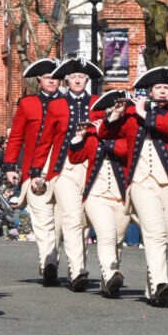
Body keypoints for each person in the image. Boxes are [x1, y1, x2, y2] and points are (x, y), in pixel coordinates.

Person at [102, 67, 168, 307]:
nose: (163, 92)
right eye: (158, 88)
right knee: (154, 232)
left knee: (163, 237)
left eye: (167, 88)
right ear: (149, 91)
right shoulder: (132, 113)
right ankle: (161, 282)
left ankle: (153, 290)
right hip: (140, 182)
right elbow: (106, 133)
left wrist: (143, 114)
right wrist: (115, 114)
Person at [29, 58, 103, 291]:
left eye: (81, 76)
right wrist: (36, 171)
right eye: (73, 76)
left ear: (87, 79)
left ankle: (80, 264)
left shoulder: (98, 103)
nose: (77, 79)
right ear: (67, 80)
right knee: (71, 217)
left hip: (92, 167)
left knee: (84, 223)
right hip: (64, 168)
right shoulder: (57, 105)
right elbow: (45, 140)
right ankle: (76, 270)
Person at [2, 58, 62, 286]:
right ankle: (49, 263)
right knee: (42, 219)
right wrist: (10, 166)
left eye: (56, 77)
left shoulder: (67, 103)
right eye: (48, 78)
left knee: (58, 220)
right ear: (39, 81)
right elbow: (16, 136)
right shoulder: (28, 104)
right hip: (33, 169)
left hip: (61, 168)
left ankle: (51, 259)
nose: (52, 81)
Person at [68, 91, 130, 298]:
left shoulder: (128, 130)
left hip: (121, 193)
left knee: (118, 240)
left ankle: (108, 281)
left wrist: (104, 136)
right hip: (95, 193)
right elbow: (76, 157)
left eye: (118, 108)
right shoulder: (93, 132)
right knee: (106, 234)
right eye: (111, 109)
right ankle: (111, 272)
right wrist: (78, 137)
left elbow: (125, 151)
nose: (114, 112)